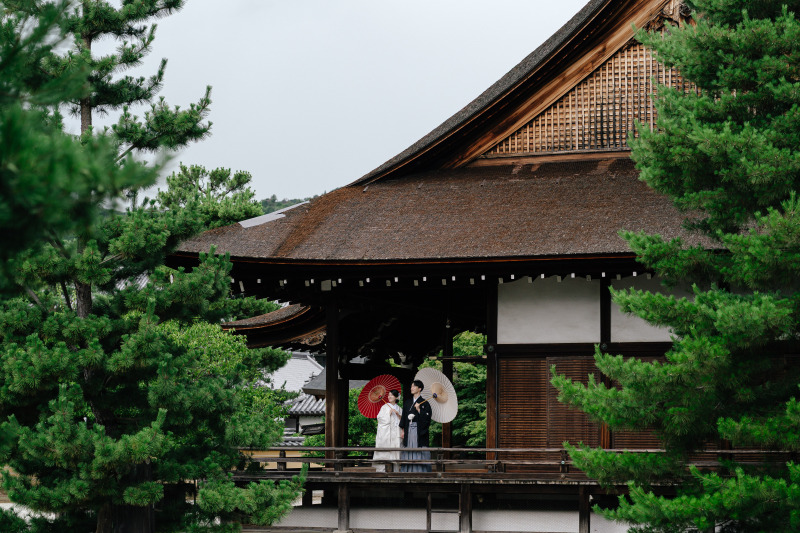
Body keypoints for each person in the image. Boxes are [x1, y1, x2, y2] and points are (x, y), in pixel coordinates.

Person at [398, 379, 433, 472]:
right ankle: (408, 470)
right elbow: (404, 418)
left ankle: (421, 471)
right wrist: (403, 430)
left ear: (419, 388)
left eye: (414, 386)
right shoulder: (407, 403)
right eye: (411, 386)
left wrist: (419, 410)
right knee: (408, 448)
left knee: (419, 448)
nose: (411, 388)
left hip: (418, 430)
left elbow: (427, 418)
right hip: (408, 430)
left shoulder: (425, 403)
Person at [373, 389, 402, 472]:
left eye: (391, 395)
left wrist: (398, 414)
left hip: (396, 433)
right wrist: (388, 414)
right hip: (386, 433)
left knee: (395, 451)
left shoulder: (399, 409)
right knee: (385, 451)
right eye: (388, 395)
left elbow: (403, 421)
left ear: (396, 397)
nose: (389, 397)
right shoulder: (384, 407)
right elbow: (379, 419)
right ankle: (382, 470)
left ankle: (395, 470)